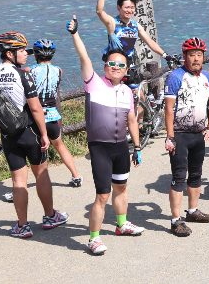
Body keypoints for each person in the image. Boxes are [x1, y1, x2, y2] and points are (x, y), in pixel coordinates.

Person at [67, 16, 144, 255]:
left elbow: (131, 120)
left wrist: (138, 147)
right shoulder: (94, 84)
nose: (116, 68)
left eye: (121, 65)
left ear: (126, 70)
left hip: (121, 147)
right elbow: (84, 57)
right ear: (105, 66)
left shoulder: (127, 92)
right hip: (100, 148)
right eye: (112, 64)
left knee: (122, 188)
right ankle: (93, 238)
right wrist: (75, 34)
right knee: (102, 195)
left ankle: (121, 225)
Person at [0, 32, 68, 238]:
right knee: (41, 174)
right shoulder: (24, 75)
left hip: (8, 135)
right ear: (10, 54)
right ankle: (50, 216)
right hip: (30, 132)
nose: (26, 54)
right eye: (21, 50)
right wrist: (45, 134)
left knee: (18, 182)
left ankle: (22, 226)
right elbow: (36, 109)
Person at [164, 37, 209, 237]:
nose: (196, 58)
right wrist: (170, 136)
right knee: (179, 177)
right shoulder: (176, 76)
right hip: (180, 134)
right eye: (192, 55)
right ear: (185, 56)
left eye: (199, 55)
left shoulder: (206, 77)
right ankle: (175, 220)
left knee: (196, 174)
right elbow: (168, 109)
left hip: (199, 134)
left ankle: (193, 211)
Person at [28, 39, 83, 187]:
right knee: (60, 145)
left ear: (35, 54)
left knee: (32, 150)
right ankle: (76, 176)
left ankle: (23, 185)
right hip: (52, 115)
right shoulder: (59, 70)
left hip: (36, 117)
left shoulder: (29, 70)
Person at [96, 0, 176, 65]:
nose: (130, 10)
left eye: (132, 7)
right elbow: (99, 11)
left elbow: (150, 42)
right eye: (126, 7)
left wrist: (165, 55)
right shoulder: (112, 23)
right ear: (119, 7)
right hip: (115, 66)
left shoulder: (135, 25)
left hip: (129, 66)